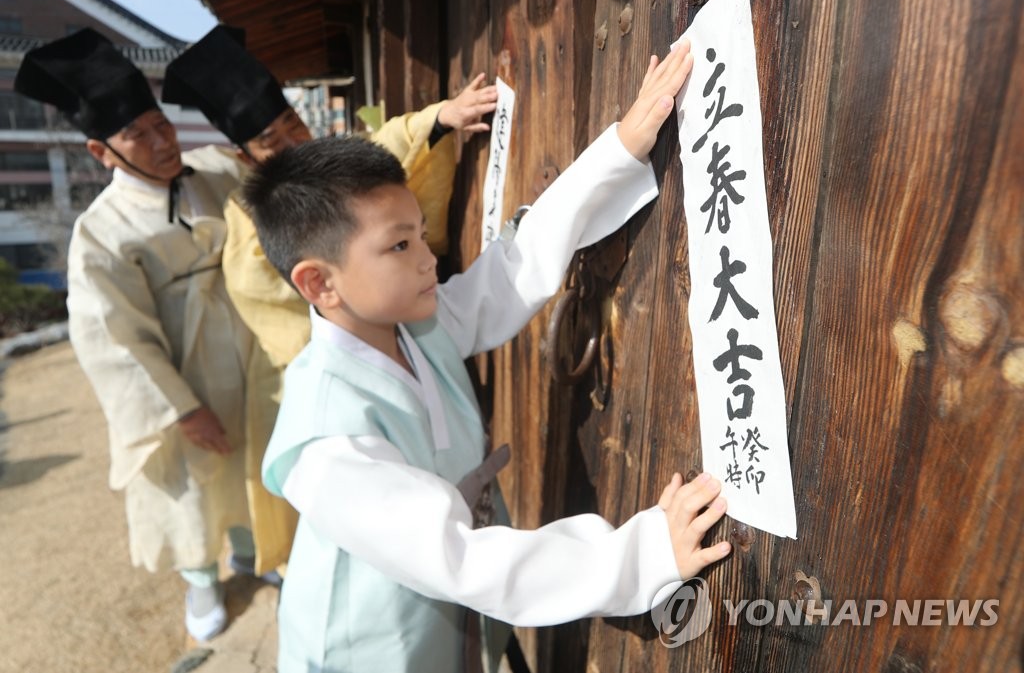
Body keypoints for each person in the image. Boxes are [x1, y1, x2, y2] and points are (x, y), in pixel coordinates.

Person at [244, 39, 731, 673]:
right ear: (319, 283)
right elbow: (459, 559)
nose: (426, 258)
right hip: (364, 645)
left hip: (439, 618)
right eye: (398, 246)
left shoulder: (410, 323)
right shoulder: (326, 441)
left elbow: (509, 272)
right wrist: (640, 558)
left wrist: (621, 149)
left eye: (420, 234)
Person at [161, 25, 499, 575]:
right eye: (270, 139)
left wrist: (436, 119)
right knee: (367, 525)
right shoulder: (250, 231)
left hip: (389, 349)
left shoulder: (328, 172)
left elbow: (376, 155)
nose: (291, 142)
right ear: (246, 157)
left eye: (292, 123)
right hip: (319, 372)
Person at [14, 27, 263, 643]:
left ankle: (258, 552)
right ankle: (201, 576)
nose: (160, 142)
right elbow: (114, 340)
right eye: (139, 135)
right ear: (103, 153)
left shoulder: (210, 172)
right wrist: (181, 409)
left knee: (255, 459)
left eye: (163, 125)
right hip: (183, 371)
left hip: (248, 349)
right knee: (190, 484)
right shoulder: (99, 233)